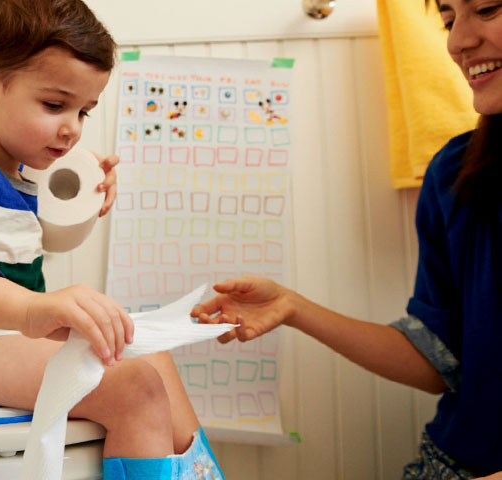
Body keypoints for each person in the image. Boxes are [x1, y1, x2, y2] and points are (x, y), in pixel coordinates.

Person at [0, 0, 225, 477]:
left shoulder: (19, 175)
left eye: (85, 111)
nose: (72, 129)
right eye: (55, 105)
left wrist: (87, 202)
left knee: (151, 355)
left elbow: (38, 241)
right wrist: (30, 309)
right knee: (135, 386)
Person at [192, 0, 502, 478]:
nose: (458, 41)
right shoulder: (455, 175)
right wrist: (293, 307)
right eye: (447, 18)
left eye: (487, 8)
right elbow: (439, 359)